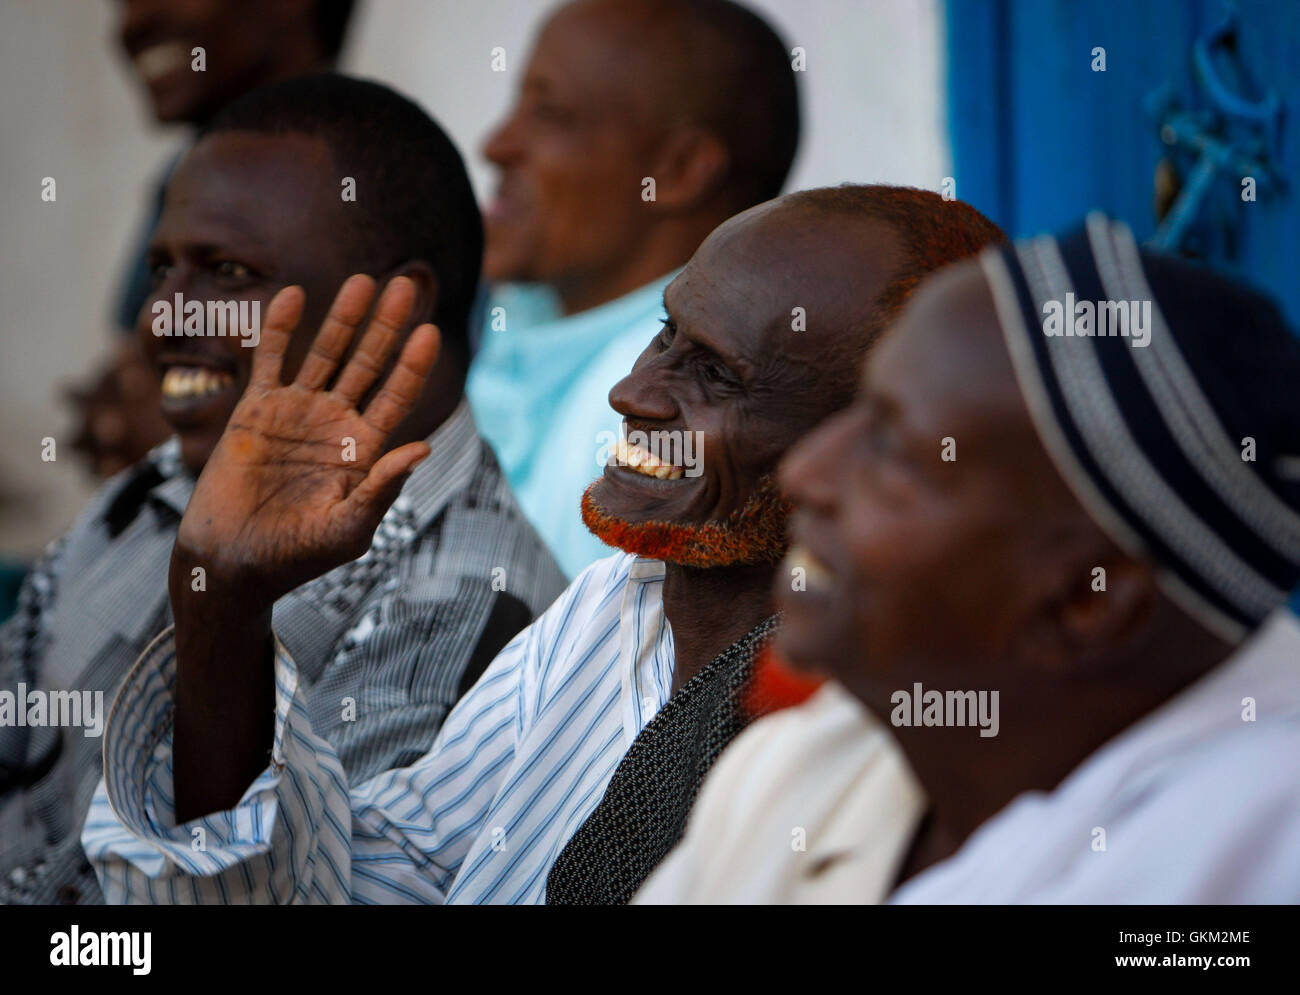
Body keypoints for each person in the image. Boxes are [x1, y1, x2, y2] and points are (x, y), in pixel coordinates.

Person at [81, 185, 1004, 904]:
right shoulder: (610, 609)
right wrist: (222, 600)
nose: (635, 393)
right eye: (663, 335)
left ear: (855, 444)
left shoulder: (905, 716)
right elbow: (371, 876)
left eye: (715, 374)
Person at [1, 74, 565, 905]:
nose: (165, 315)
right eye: (162, 270)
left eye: (227, 273)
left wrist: (224, 611)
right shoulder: (158, 487)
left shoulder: (475, 606)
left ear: (399, 308)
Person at [642, 214, 1300, 903]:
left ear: (1086, 598)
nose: (807, 471)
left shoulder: (1239, 865)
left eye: (894, 452)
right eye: (858, 413)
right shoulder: (806, 763)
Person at [468, 0, 801, 577]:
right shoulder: (516, 317)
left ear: (678, 171)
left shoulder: (655, 405)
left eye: (549, 112)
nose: (496, 145)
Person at [68, 0, 358, 477]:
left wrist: (192, 438)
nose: (131, 22)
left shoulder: (370, 188)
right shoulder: (182, 179)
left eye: (229, 271)